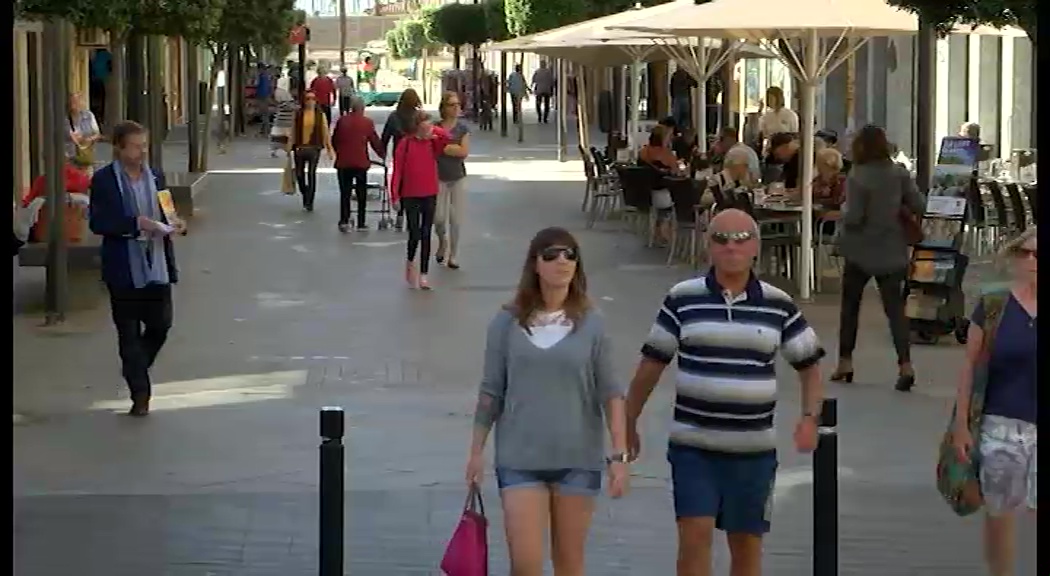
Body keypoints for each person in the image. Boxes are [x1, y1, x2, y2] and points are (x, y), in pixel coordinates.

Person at [626, 208, 825, 576]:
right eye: (721, 238)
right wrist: (628, 420)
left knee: (746, 547)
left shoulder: (777, 304)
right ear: (708, 245)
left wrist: (810, 418)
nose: (731, 246)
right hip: (693, 449)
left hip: (753, 454)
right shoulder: (682, 298)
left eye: (742, 238)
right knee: (694, 538)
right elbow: (651, 365)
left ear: (756, 248)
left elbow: (810, 367)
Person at [466, 226, 628, 576]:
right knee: (525, 565)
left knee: (569, 564)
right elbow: (491, 390)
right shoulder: (506, 322)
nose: (562, 261)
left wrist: (619, 454)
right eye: (552, 254)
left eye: (570, 255)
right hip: (520, 458)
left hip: (577, 460)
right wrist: (476, 451)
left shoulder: (592, 323)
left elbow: (611, 392)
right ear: (535, 264)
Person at [951, 228, 1037, 576]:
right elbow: (969, 366)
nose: (1033, 261)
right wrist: (961, 426)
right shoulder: (993, 305)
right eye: (1027, 254)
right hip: (999, 424)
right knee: (1000, 518)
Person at [88, 121, 186, 417]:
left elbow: (166, 208)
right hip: (123, 267)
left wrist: (174, 221)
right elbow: (98, 223)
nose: (142, 151)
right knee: (128, 333)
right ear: (119, 147)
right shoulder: (104, 180)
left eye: (144, 145)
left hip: (156, 263)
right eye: (135, 146)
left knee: (161, 325)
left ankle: (134, 366)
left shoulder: (155, 175)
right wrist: (135, 224)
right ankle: (140, 395)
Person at [831, 124, 925, 392]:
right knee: (895, 309)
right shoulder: (899, 173)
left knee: (850, 307)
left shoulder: (857, 175)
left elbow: (854, 217)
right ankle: (905, 365)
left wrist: (844, 210)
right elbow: (920, 204)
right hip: (892, 248)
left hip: (859, 250)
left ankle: (845, 363)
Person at [389, 111, 449, 290]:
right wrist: (395, 196)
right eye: (425, 127)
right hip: (410, 193)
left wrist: (434, 130)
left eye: (430, 127)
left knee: (426, 233)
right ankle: (410, 261)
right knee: (414, 232)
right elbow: (397, 171)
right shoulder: (405, 144)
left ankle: (424, 274)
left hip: (430, 192)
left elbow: (447, 137)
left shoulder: (433, 142)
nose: (429, 130)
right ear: (417, 127)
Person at [331, 96, 383, 232]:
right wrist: (382, 155)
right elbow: (374, 141)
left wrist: (339, 152)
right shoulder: (367, 122)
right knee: (361, 193)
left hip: (343, 163)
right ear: (363, 108)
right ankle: (361, 222)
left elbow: (335, 139)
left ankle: (344, 220)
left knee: (345, 193)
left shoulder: (342, 121)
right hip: (360, 163)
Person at [435, 92, 471, 270]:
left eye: (457, 104)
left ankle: (454, 255)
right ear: (444, 107)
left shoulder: (462, 129)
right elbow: (431, 149)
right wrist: (451, 148)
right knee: (439, 218)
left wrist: (444, 147)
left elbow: (464, 152)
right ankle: (442, 241)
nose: (456, 108)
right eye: (452, 105)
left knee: (456, 219)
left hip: (457, 176)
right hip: (438, 176)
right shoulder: (436, 127)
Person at [382, 88, 423, 231]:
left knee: (400, 184)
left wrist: (382, 153)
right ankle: (413, 215)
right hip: (416, 155)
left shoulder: (394, 116)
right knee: (414, 184)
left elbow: (385, 136)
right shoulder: (418, 117)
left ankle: (400, 215)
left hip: (399, 154)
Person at [286, 91, 335, 212]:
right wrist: (289, 147)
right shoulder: (298, 114)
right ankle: (305, 193)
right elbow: (292, 131)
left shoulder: (320, 115)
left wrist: (330, 149)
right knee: (299, 174)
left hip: (314, 148)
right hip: (300, 148)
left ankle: (309, 202)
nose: (310, 101)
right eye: (308, 99)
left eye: (313, 99)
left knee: (311, 174)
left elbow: (325, 132)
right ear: (304, 101)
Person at [639, 125, 684, 244]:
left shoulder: (643, 152)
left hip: (644, 193)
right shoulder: (667, 155)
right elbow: (676, 172)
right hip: (664, 196)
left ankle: (658, 229)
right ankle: (666, 229)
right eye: (669, 136)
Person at [67, 92, 101, 171]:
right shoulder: (65, 118)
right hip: (69, 156)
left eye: (77, 102)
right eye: (73, 102)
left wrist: (88, 139)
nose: (75, 105)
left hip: (85, 155)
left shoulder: (89, 115)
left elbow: (97, 134)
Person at [669, 65, 698, 130]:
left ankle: (681, 129)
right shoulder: (677, 75)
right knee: (681, 115)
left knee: (681, 115)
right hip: (680, 97)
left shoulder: (684, 75)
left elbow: (695, 84)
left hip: (681, 97)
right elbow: (695, 84)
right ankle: (680, 129)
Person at [531, 60, 555, 124]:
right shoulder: (548, 72)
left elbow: (533, 80)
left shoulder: (537, 72)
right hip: (547, 90)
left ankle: (539, 116)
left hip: (539, 90)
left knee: (538, 104)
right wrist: (552, 90)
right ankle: (545, 118)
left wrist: (533, 88)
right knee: (546, 105)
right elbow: (552, 82)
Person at [254, 65, 274, 137]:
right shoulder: (267, 77)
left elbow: (256, 84)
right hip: (265, 96)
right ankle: (264, 131)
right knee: (265, 114)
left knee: (264, 114)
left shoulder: (261, 77)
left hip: (262, 96)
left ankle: (266, 132)